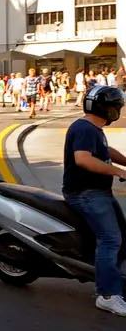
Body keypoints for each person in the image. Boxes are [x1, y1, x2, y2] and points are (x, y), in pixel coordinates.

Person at [62, 85, 126, 316]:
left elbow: (106, 151)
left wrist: (124, 162)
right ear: (105, 108)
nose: (116, 111)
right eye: (115, 107)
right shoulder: (85, 129)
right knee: (110, 239)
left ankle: (115, 282)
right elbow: (83, 159)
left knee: (122, 236)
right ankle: (107, 295)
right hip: (85, 193)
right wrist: (117, 172)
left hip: (98, 191)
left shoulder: (92, 128)